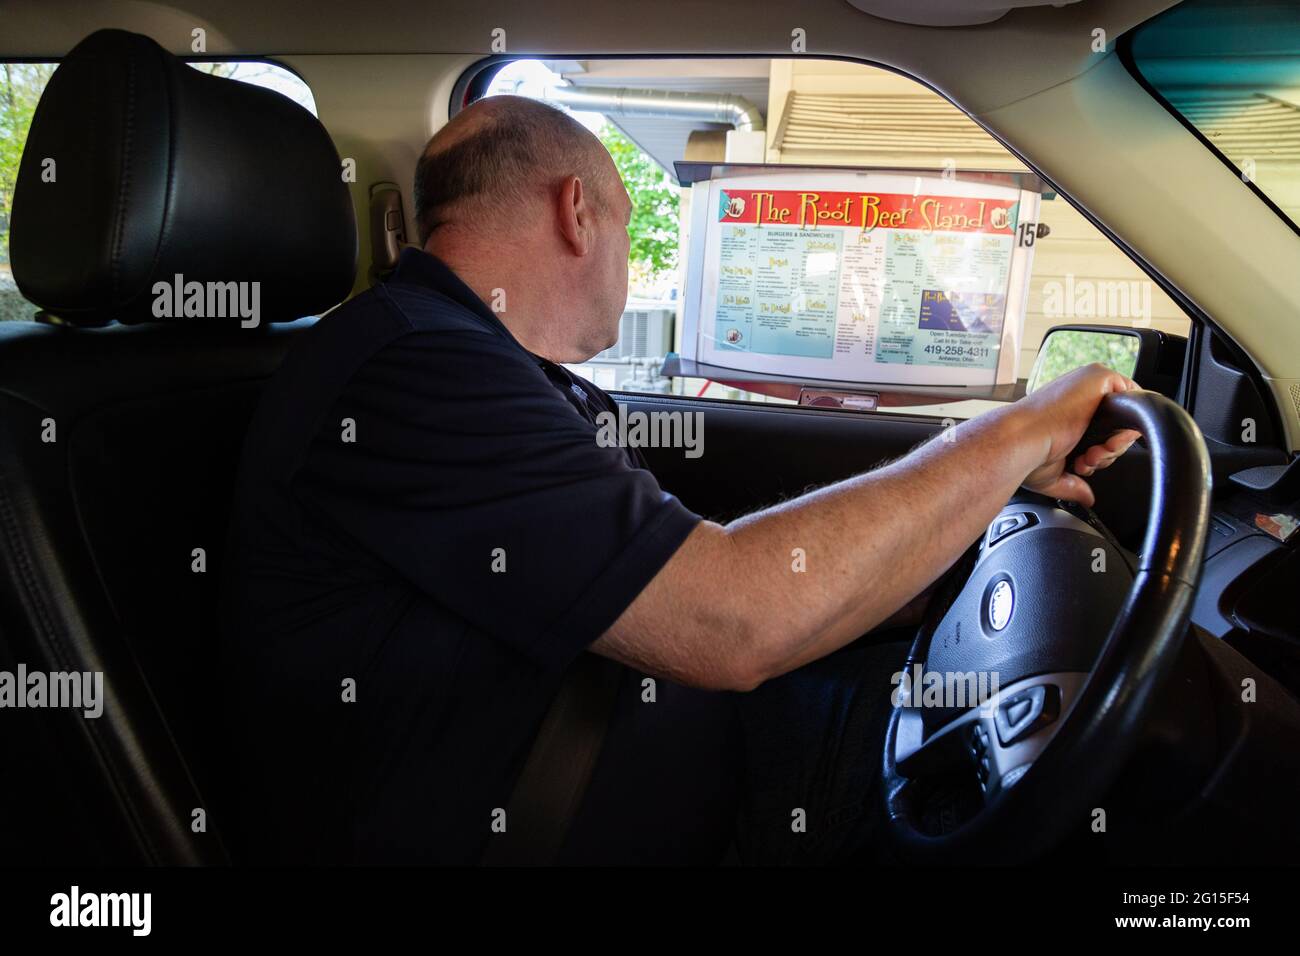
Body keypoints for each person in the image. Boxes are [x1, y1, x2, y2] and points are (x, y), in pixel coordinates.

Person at [220, 94, 1138, 865]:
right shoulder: (416, 367)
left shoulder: (478, 362)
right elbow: (730, 619)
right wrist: (1011, 433)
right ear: (577, 211)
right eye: (623, 217)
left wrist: (944, 547)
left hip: (674, 745)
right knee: (1098, 787)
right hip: (580, 819)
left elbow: (683, 584)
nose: (626, 253)